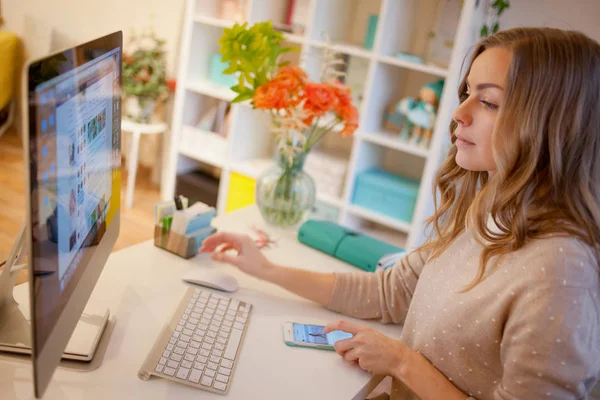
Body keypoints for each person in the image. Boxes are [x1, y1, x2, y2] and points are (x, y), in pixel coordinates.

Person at [200, 27, 600, 399]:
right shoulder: (489, 209)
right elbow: (390, 292)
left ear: (554, 126)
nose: (459, 114)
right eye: (466, 93)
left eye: (489, 101)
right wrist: (266, 269)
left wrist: (401, 361)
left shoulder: (561, 271)